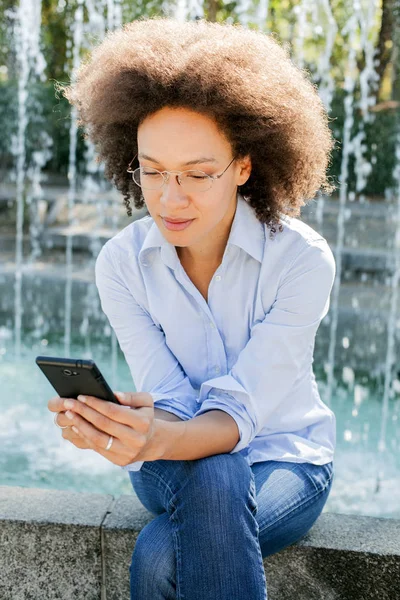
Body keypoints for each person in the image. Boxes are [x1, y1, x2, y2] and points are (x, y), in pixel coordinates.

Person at [48, 16, 336, 600]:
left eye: (198, 174)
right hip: (168, 453)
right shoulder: (122, 264)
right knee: (213, 468)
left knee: (161, 555)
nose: (169, 197)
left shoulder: (301, 259)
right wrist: (118, 431)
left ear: (245, 167)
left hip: (283, 457)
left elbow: (238, 418)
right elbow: (172, 401)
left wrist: (148, 438)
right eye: (151, 171)